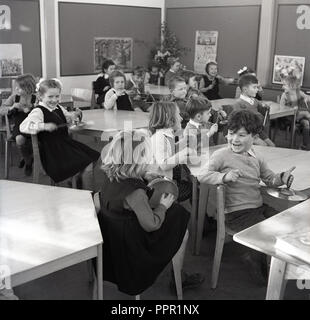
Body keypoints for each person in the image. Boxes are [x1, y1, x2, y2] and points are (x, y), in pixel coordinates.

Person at [98, 129, 204, 295]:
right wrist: (163, 206)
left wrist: (144, 175)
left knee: (176, 214)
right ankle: (178, 279)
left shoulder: (110, 176)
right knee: (179, 218)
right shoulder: (136, 193)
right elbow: (151, 225)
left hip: (112, 240)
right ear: (139, 160)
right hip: (133, 247)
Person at [199, 109, 295, 284]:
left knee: (283, 222)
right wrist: (223, 177)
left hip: (257, 207)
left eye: (241, 135)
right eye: (231, 133)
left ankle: (275, 260)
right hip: (236, 214)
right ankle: (255, 262)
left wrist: (281, 177)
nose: (234, 139)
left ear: (255, 137)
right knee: (262, 231)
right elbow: (202, 175)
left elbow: (269, 178)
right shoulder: (221, 155)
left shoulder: (256, 157)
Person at [20, 79, 100, 188]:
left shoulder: (58, 107)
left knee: (96, 157)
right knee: (88, 164)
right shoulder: (38, 111)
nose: (54, 100)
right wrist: (43, 126)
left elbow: (66, 117)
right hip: (54, 152)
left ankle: (79, 182)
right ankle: (87, 193)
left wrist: (73, 116)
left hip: (66, 145)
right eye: (50, 97)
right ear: (40, 96)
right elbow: (23, 127)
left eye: (57, 96)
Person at [149, 101, 194, 203]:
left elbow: (170, 151)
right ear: (168, 117)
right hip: (159, 188)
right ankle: (198, 218)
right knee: (193, 188)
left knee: (191, 185)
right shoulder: (160, 138)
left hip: (164, 182)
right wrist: (184, 152)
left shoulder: (165, 135)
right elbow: (164, 164)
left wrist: (184, 142)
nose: (181, 118)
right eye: (178, 114)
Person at [0, 74, 37, 175]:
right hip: (19, 126)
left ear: (28, 88)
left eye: (19, 87)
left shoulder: (35, 98)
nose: (16, 88)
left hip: (33, 126)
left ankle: (28, 157)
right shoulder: (14, 97)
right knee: (19, 139)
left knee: (40, 140)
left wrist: (34, 108)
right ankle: (28, 161)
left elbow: (45, 110)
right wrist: (11, 107)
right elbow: (1, 110)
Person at [233, 74, 275, 147]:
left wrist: (265, 107)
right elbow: (240, 124)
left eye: (257, 87)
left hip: (258, 131)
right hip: (247, 133)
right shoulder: (239, 103)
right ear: (245, 89)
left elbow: (263, 108)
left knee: (272, 146)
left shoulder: (255, 101)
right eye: (254, 87)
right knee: (264, 145)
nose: (257, 90)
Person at [280, 71, 310, 150]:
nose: (282, 87)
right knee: (306, 114)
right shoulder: (284, 95)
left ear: (291, 85)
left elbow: (308, 97)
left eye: (284, 85)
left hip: (298, 116)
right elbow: (281, 109)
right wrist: (290, 109)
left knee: (306, 124)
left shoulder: (299, 92)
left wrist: (306, 98)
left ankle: (304, 145)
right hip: (288, 117)